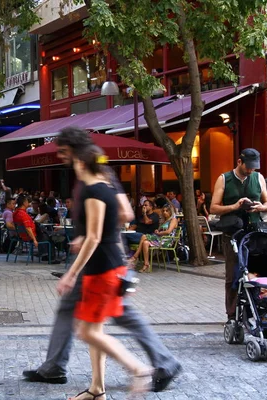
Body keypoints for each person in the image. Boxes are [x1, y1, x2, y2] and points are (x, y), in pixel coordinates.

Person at [23, 127, 181, 393]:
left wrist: (92, 234)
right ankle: (85, 381)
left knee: (111, 318)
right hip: (99, 258)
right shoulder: (90, 175)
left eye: (62, 150)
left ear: (74, 151)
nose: (60, 155)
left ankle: (153, 365)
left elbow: (126, 212)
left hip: (101, 259)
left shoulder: (97, 176)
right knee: (90, 315)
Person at [57, 144, 153, 399]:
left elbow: (93, 237)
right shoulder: (107, 187)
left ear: (80, 163)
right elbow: (119, 218)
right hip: (106, 268)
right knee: (95, 332)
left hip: (103, 270)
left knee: (87, 331)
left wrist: (71, 273)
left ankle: (138, 369)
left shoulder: (94, 191)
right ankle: (97, 391)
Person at [210, 148, 267, 323]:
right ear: (239, 162)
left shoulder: (258, 178)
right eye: (248, 167)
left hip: (254, 231)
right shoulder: (224, 179)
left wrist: (261, 207)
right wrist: (234, 206)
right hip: (232, 233)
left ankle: (258, 309)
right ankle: (232, 314)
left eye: (254, 167)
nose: (251, 170)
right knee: (233, 274)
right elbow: (214, 207)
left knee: (257, 270)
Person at [130, 203, 179, 273]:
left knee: (144, 236)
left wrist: (159, 233)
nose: (165, 213)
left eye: (167, 211)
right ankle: (146, 264)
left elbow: (168, 232)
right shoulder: (164, 221)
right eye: (164, 211)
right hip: (159, 239)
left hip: (166, 241)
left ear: (171, 212)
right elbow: (161, 231)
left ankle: (135, 256)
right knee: (145, 242)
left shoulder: (173, 220)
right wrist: (157, 231)